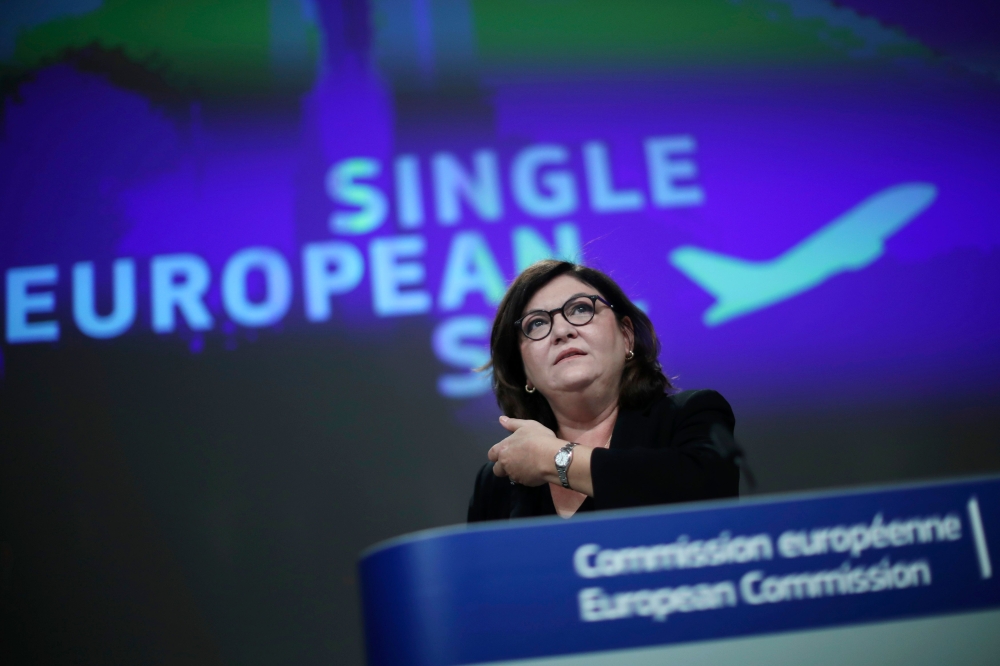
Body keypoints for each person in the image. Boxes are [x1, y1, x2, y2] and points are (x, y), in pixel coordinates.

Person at [467, 260, 739, 522]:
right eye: (536, 323)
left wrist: (553, 458)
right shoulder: (499, 480)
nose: (561, 331)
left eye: (581, 309)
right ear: (523, 370)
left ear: (626, 336)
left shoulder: (690, 416)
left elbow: (707, 493)